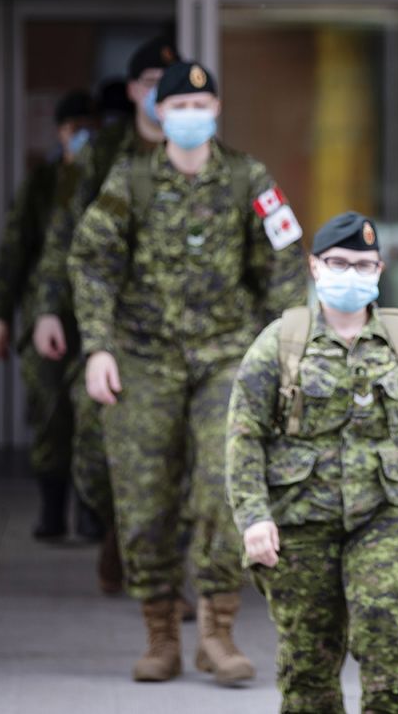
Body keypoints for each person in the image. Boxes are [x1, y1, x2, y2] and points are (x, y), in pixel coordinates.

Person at [70, 59, 308, 684]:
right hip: (143, 360)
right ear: (158, 113)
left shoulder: (247, 178)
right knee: (143, 499)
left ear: (216, 110)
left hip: (225, 357)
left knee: (221, 487)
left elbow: (286, 264)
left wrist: (283, 347)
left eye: (200, 107)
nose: (190, 117)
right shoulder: (131, 181)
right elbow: (91, 260)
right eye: (177, 107)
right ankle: (159, 634)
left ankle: (217, 632)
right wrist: (97, 346)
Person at [227, 211, 398, 714]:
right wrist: (253, 516)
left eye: (364, 265)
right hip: (302, 523)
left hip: (388, 517)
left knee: (393, 654)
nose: (351, 274)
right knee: (308, 673)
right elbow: (243, 436)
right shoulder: (281, 343)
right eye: (339, 262)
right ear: (315, 266)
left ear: (381, 270)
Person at [32, 36, 176, 593]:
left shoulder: (207, 158)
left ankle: (163, 569)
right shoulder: (101, 154)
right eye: (150, 86)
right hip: (109, 325)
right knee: (92, 444)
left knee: (182, 454)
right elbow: (62, 236)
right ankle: (119, 525)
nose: (162, 98)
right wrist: (46, 310)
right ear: (134, 91)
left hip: (180, 333)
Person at [0, 88, 96, 540]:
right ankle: (53, 512)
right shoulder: (44, 182)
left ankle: (93, 517)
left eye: (89, 128)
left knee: (93, 420)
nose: (83, 138)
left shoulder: (110, 177)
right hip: (45, 313)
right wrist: (1, 314)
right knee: (50, 414)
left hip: (95, 314)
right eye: (74, 129)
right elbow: (14, 250)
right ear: (60, 132)